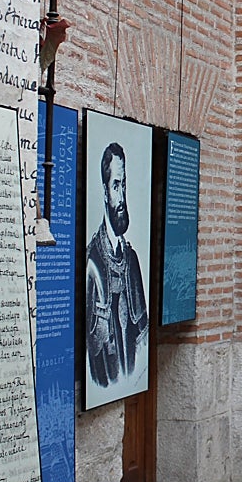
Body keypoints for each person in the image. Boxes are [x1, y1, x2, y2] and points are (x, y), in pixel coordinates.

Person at [86, 142, 149, 388]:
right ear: (105, 191)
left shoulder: (131, 259)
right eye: (115, 186)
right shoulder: (93, 263)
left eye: (124, 185)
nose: (121, 196)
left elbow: (142, 338)